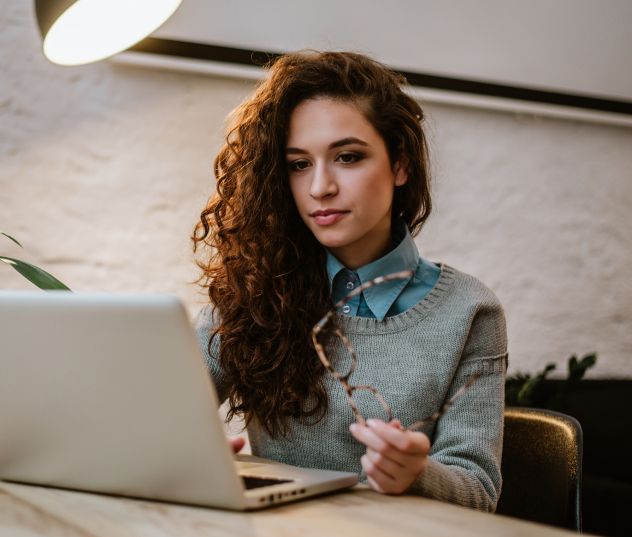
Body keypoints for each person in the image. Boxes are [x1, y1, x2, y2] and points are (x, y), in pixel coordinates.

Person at [191, 51, 508, 513]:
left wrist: (419, 475)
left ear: (400, 165)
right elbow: (159, 412)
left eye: (347, 157)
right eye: (299, 164)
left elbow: (478, 490)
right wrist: (191, 453)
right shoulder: (254, 290)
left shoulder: (470, 311)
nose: (320, 186)